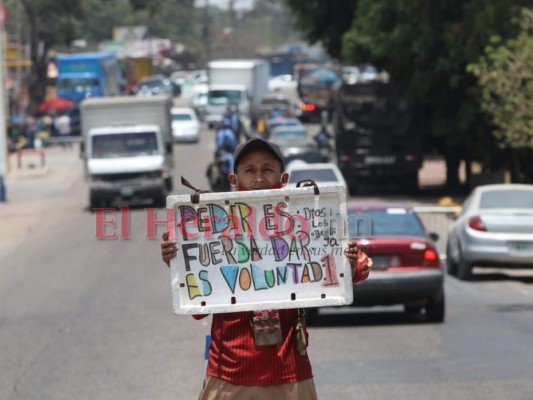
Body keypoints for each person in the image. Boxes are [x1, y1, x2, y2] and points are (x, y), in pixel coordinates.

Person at [160, 138, 372, 400]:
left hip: (290, 372)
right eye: (250, 170)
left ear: (283, 178)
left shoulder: (305, 216)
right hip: (229, 373)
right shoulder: (209, 224)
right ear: (234, 179)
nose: (259, 178)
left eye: (267, 169)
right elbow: (197, 303)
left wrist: (349, 262)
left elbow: (360, 266)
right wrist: (177, 261)